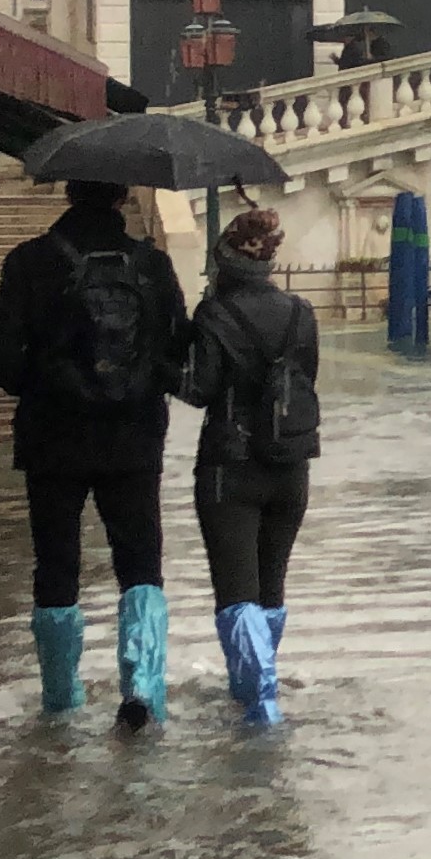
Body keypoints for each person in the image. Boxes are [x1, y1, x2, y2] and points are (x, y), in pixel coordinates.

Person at [0, 177, 190, 728]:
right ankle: (143, 689)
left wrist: (42, 383)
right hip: (135, 437)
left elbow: (1, 353)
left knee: (56, 561)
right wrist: (140, 386)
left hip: (53, 437)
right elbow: (178, 348)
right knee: (140, 559)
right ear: (121, 198)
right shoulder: (153, 265)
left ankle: (61, 700)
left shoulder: (29, 261)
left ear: (69, 192)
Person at [177, 205, 319, 727]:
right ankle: (264, 686)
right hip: (291, 468)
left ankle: (259, 706)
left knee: (237, 592)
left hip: (229, 470)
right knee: (272, 588)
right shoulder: (302, 313)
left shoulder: (214, 315)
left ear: (225, 260)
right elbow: (306, 380)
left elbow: (199, 390)